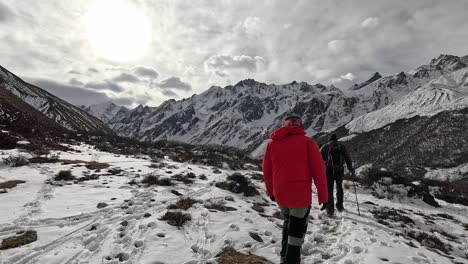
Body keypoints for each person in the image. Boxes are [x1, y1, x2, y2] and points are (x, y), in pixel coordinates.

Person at [263, 113, 328, 264]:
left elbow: (267, 171)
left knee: (288, 222)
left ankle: (283, 258)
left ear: (285, 125)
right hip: (300, 197)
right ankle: (291, 260)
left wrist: (271, 192)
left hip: (280, 195)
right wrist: (323, 196)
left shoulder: (272, 143)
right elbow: (319, 171)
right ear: (300, 124)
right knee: (296, 233)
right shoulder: (308, 143)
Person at [320, 134, 355, 217]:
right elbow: (348, 158)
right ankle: (340, 206)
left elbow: (318, 159)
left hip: (329, 171)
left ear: (329, 140)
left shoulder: (325, 147)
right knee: (339, 187)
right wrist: (350, 168)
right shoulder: (341, 146)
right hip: (340, 171)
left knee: (329, 190)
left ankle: (330, 209)